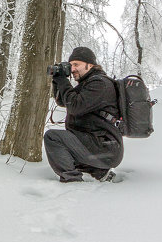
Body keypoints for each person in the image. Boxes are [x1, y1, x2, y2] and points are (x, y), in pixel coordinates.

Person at [43, 46, 123, 183]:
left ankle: (71, 180)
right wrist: (57, 79)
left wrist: (64, 81)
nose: (72, 69)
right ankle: (99, 172)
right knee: (66, 144)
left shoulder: (99, 83)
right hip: (99, 146)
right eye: (71, 65)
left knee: (53, 137)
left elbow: (75, 106)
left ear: (90, 65)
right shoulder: (87, 83)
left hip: (103, 146)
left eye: (76, 64)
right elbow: (63, 101)